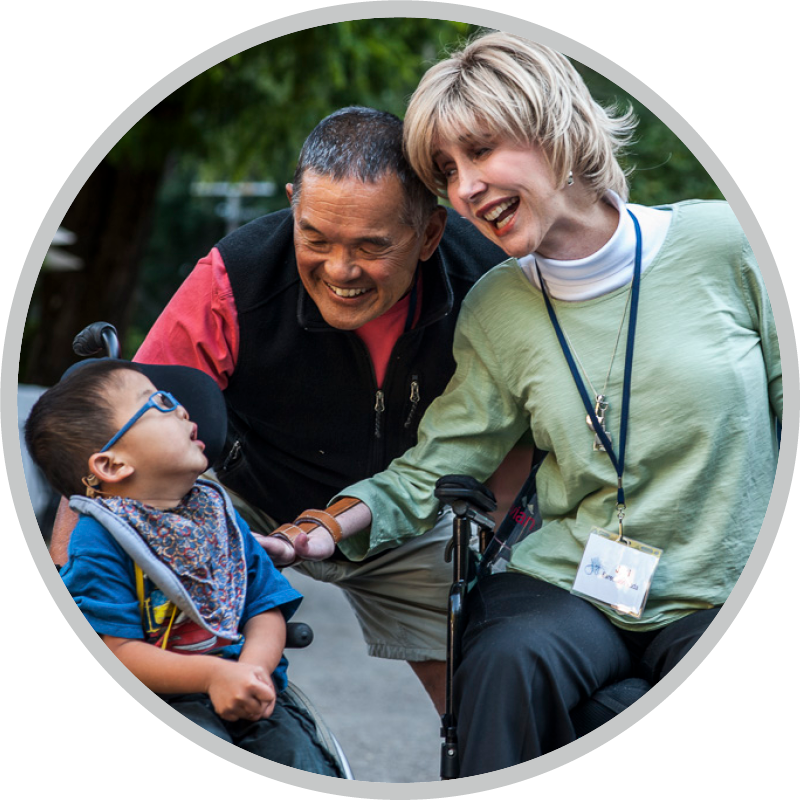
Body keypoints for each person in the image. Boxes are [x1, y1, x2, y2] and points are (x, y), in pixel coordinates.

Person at [280, 33, 782, 775]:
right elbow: (439, 464)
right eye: (446, 171)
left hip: (732, 581)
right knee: (504, 658)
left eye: (480, 152)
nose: (464, 188)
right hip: (574, 583)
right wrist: (318, 532)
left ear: (554, 126)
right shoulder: (498, 306)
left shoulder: (725, 243)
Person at [48, 107, 507, 713]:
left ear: (429, 232)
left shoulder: (491, 283)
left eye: (371, 247)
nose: (340, 271)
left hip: (412, 511)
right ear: (293, 205)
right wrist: (60, 581)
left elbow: (516, 436)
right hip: (246, 501)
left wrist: (496, 542)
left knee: (485, 699)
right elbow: (118, 433)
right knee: (138, 637)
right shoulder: (232, 277)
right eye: (315, 238)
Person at [26, 359, 340, 774]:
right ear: (112, 465)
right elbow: (117, 653)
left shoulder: (219, 516)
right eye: (157, 402)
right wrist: (212, 676)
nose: (180, 408)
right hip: (158, 700)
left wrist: (253, 671)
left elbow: (264, 607)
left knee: (303, 762)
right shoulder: (102, 539)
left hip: (249, 687)